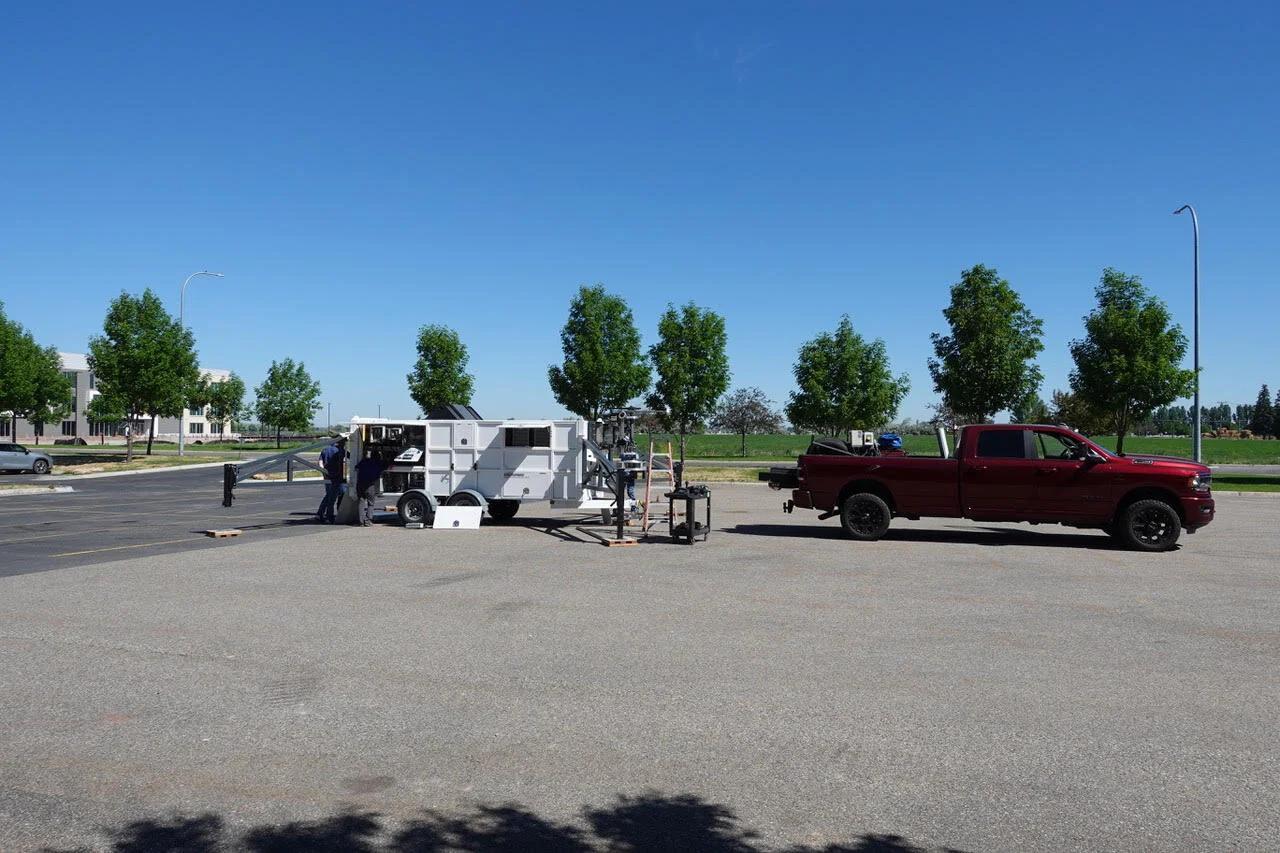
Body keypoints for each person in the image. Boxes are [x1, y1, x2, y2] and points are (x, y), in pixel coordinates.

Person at [315, 437, 348, 523]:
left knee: (329, 495)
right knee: (334, 497)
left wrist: (325, 473)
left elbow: (320, 463)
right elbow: (351, 457)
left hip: (327, 476)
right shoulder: (340, 450)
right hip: (337, 477)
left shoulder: (325, 450)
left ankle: (320, 513)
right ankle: (330, 516)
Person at [353, 453, 388, 527]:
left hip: (360, 484)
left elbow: (356, 468)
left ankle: (361, 521)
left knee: (361, 502)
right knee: (371, 503)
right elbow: (386, 467)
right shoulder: (379, 463)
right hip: (370, 485)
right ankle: (368, 521)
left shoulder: (364, 461)